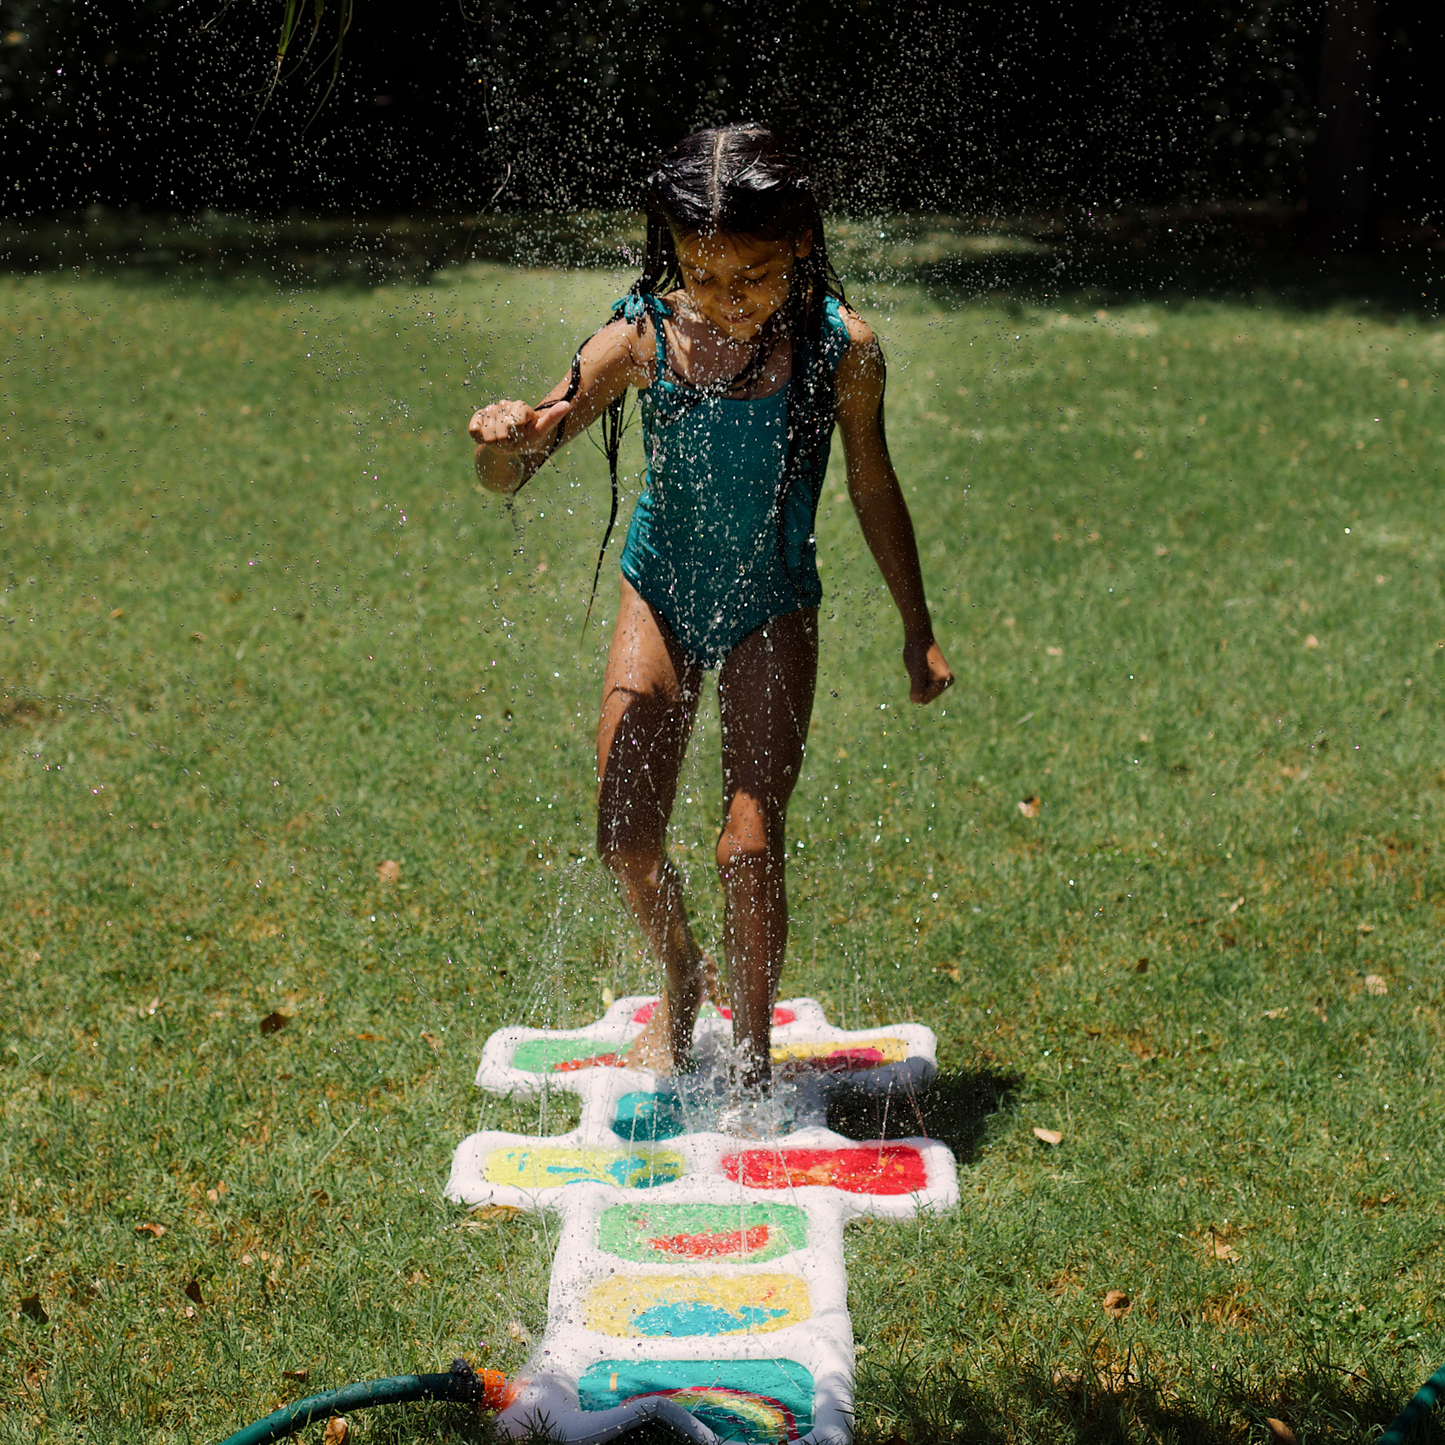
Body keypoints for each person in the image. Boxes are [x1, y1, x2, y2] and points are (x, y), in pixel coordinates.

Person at [468, 125, 952, 1103]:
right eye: (704, 273)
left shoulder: (839, 351)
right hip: (662, 590)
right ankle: (680, 970)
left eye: (756, 275)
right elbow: (511, 468)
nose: (728, 299)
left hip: (770, 599)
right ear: (673, 255)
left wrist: (916, 623)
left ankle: (752, 1063)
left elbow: (869, 482)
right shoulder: (643, 335)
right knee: (624, 837)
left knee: (747, 842)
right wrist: (501, 437)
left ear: (803, 244)